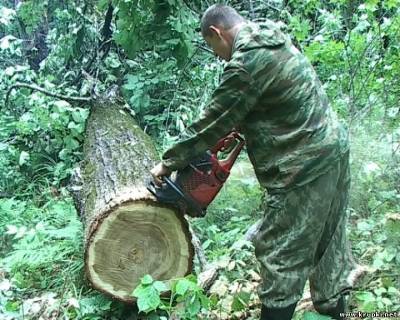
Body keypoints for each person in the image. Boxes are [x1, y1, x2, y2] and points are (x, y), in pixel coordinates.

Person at [151, 4, 355, 320]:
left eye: (212, 47)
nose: (218, 56)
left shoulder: (244, 63)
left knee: (280, 253)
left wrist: (167, 163)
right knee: (329, 247)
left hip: (302, 167)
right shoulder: (271, 34)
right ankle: (338, 311)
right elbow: (276, 96)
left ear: (217, 33)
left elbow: (211, 122)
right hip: (333, 151)